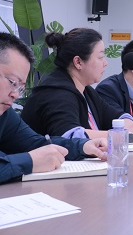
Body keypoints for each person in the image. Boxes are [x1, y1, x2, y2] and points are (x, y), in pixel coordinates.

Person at [0, 32, 107, 184]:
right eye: (12, 82)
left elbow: (36, 143)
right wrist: (30, 161)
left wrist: (82, 146)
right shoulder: (55, 92)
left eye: (20, 87)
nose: (15, 94)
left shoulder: (5, 115)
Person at [22, 28, 133, 143]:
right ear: (78, 62)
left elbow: (119, 117)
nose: (105, 63)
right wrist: (125, 136)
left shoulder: (86, 91)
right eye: (100, 57)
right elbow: (69, 136)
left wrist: (126, 127)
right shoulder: (56, 93)